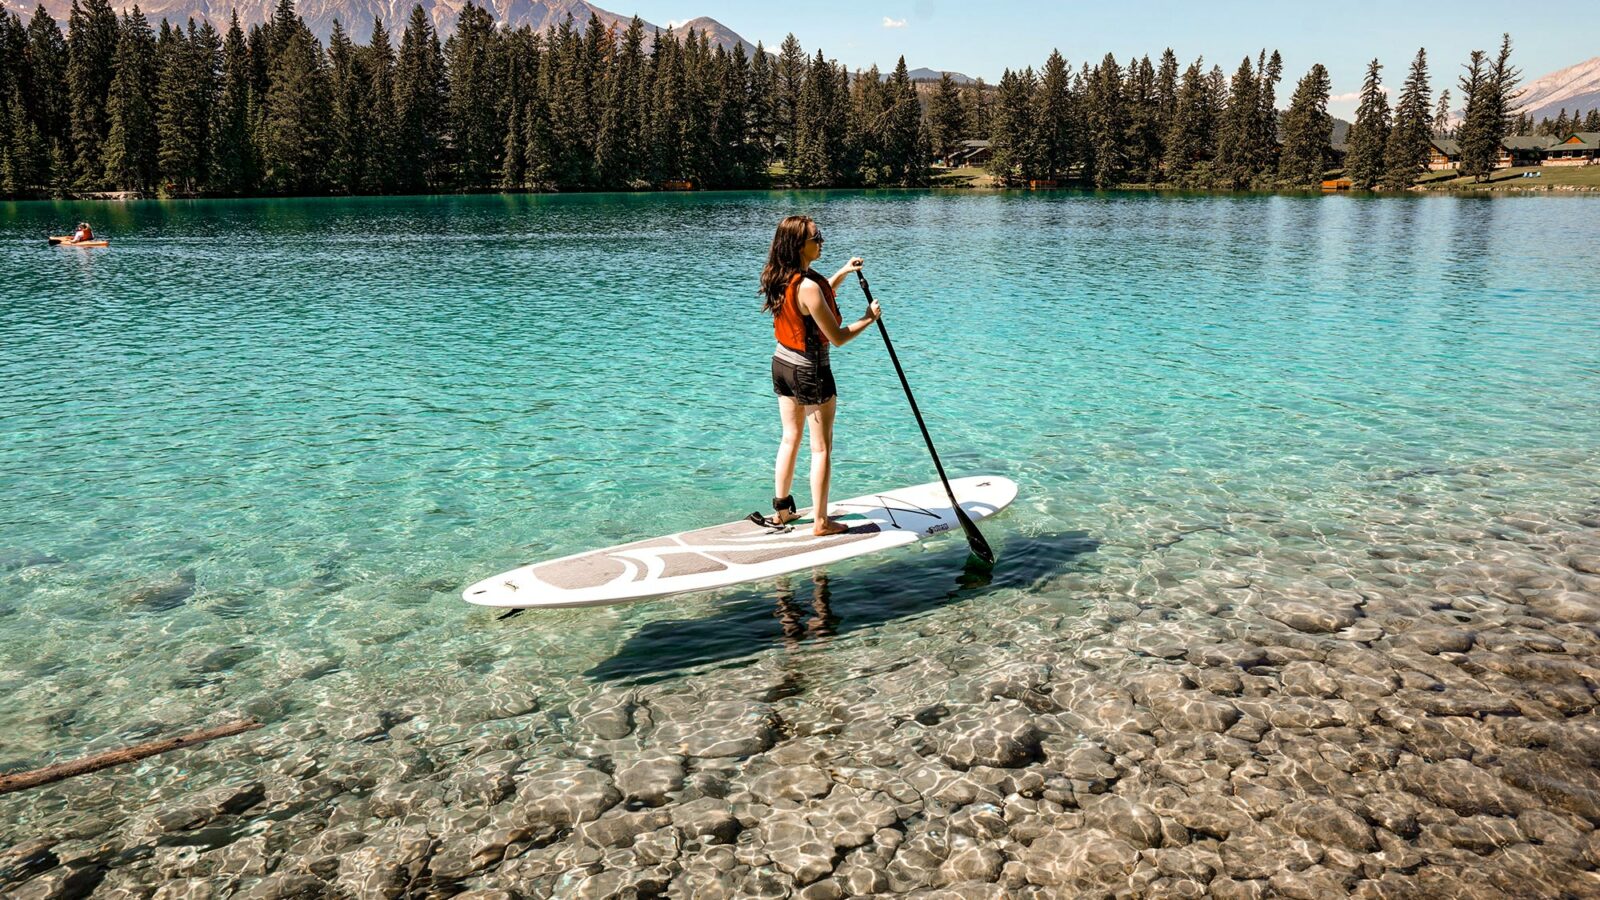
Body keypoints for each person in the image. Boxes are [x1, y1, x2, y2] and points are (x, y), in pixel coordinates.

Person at [758, 215, 881, 536]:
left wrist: (842, 271)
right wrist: (868, 318)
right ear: (800, 245)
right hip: (810, 371)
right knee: (821, 448)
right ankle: (821, 523)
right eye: (816, 237)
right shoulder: (809, 286)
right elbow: (837, 337)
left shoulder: (781, 276)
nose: (821, 240)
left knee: (789, 438)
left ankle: (781, 511)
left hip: (782, 364)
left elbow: (815, 301)